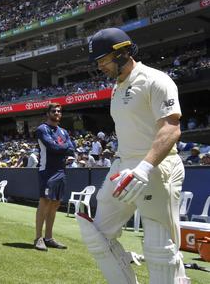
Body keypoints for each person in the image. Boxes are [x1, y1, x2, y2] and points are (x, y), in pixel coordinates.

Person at [79, 27, 190, 283]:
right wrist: (123, 163)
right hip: (123, 167)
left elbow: (171, 129)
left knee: (159, 248)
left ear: (122, 53)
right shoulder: (116, 88)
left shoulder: (156, 80)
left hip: (156, 168)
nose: (100, 67)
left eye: (103, 60)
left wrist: (144, 167)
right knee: (98, 236)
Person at [34, 102, 75, 251]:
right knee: (44, 203)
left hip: (61, 171)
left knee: (55, 204)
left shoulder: (63, 132)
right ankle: (38, 238)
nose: (57, 113)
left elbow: (72, 148)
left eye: (59, 111)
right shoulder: (42, 129)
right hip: (47, 171)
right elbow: (53, 147)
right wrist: (64, 148)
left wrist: (63, 148)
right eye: (54, 111)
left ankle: (49, 237)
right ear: (48, 113)